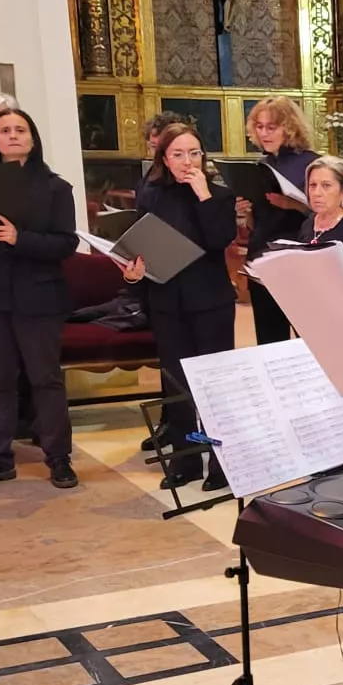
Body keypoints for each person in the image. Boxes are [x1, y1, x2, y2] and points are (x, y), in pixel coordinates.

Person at [0, 108, 78, 491]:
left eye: (20, 129)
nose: (12, 135)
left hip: (37, 294)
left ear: (33, 138)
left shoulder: (55, 188)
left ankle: (58, 457)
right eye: (4, 130)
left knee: (45, 378)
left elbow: (66, 243)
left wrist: (19, 238)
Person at [122, 123, 239, 491]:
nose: (188, 161)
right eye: (178, 154)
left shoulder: (219, 195)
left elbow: (219, 239)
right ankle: (185, 460)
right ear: (164, 159)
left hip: (211, 301)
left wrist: (203, 195)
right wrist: (133, 272)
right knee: (177, 387)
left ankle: (222, 462)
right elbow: (141, 242)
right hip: (167, 300)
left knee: (214, 386)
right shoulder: (151, 194)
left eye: (194, 153)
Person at [242, 96, 318, 344]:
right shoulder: (262, 165)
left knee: (309, 338)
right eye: (259, 126)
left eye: (271, 127)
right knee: (269, 339)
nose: (264, 133)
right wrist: (246, 210)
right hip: (261, 258)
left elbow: (329, 215)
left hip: (296, 259)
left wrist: (294, 204)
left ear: (289, 127)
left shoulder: (311, 162)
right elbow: (255, 224)